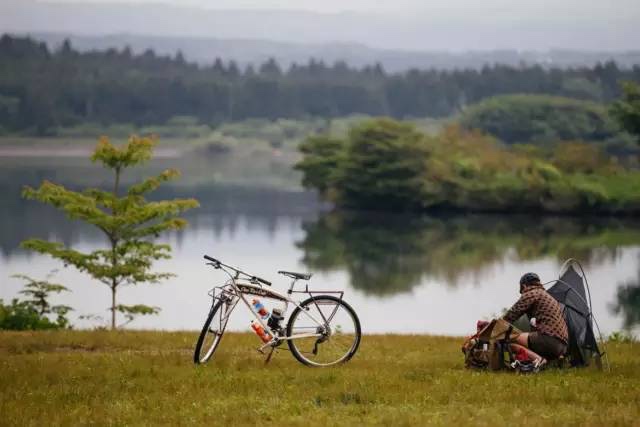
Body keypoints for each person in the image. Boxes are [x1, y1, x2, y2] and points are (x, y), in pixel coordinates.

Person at [503, 272, 569, 370]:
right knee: (528, 336)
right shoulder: (547, 296)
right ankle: (555, 360)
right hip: (563, 346)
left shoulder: (532, 293)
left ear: (524, 286)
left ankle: (540, 360)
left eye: (522, 290)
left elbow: (511, 315)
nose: (523, 293)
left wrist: (496, 326)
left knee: (511, 338)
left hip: (550, 341)